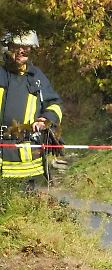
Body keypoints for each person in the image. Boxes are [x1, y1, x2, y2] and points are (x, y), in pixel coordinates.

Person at [0, 31, 63, 189]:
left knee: (27, 198)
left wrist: (45, 119)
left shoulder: (36, 77)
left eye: (27, 47)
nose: (22, 51)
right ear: (7, 47)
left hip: (28, 155)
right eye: (17, 47)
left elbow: (54, 104)